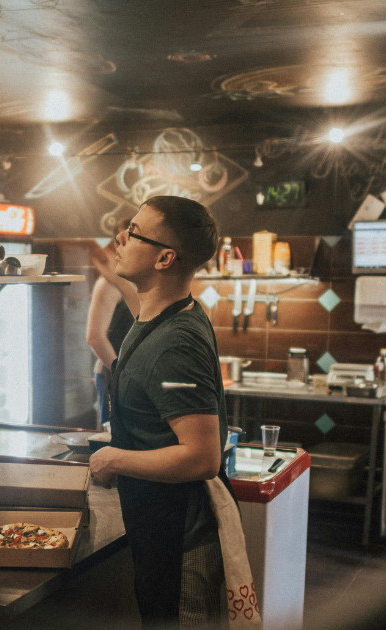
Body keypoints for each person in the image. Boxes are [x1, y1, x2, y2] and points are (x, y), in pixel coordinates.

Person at [88, 196, 228, 629]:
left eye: (134, 232)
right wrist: (112, 271)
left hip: (181, 540)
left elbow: (202, 456)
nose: (120, 238)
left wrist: (114, 457)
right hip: (158, 530)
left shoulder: (177, 342)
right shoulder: (157, 315)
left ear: (166, 258)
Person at [87, 216, 137, 430]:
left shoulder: (135, 280)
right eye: (121, 240)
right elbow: (95, 337)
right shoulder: (107, 284)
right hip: (113, 371)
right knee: (114, 441)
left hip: (135, 376)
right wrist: (120, 375)